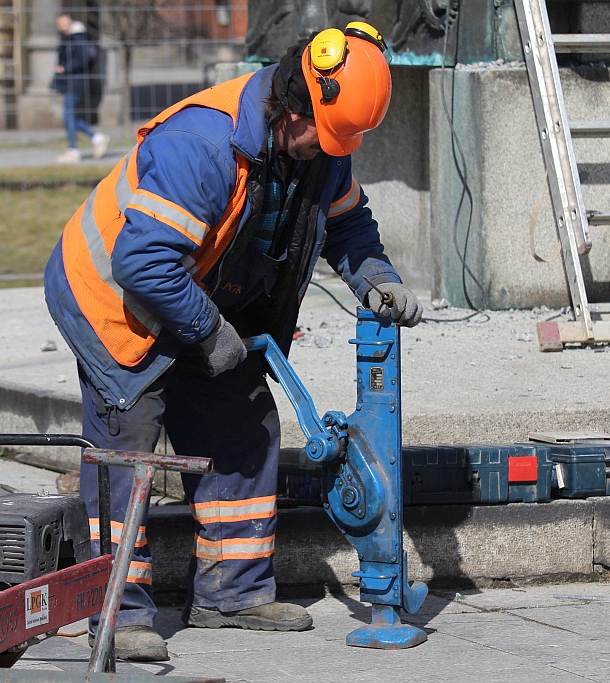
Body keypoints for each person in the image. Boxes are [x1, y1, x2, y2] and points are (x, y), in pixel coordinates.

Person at [44, 22, 422, 662]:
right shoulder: (202, 144)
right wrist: (208, 330)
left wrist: (375, 276)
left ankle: (233, 595)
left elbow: (348, 223)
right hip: (114, 305)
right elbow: (143, 265)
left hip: (197, 297)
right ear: (291, 107)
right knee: (124, 453)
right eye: (325, 136)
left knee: (244, 431)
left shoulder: (318, 148)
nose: (332, 150)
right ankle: (117, 612)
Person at [52, 12, 108, 164]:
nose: (61, 27)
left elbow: (81, 59)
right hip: (71, 81)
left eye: (63, 23)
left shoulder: (77, 37)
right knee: (69, 117)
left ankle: (75, 149)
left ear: (70, 21)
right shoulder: (69, 37)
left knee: (68, 116)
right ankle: (94, 138)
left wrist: (64, 68)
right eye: (59, 24)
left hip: (76, 82)